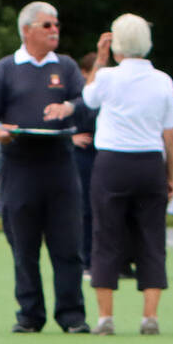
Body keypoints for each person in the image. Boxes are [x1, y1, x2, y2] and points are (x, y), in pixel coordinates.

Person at [0, 1, 89, 333]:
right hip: (19, 166)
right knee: (23, 246)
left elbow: (87, 106)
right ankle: (29, 315)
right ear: (26, 31)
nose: (54, 30)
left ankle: (72, 316)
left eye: (56, 24)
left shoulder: (66, 67)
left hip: (60, 165)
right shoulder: (6, 69)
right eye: (47, 25)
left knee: (68, 246)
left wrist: (68, 108)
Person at [80, 15, 173, 336]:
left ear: (116, 45)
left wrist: (99, 58)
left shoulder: (108, 77)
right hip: (149, 161)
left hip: (112, 162)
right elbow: (172, 134)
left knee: (105, 236)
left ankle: (105, 318)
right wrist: (169, 174)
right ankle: (149, 316)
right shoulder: (163, 80)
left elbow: (88, 98)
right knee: (152, 237)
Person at [72, 52, 98, 271]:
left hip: (103, 153)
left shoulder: (106, 91)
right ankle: (85, 259)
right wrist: (70, 138)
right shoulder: (77, 94)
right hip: (82, 156)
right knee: (85, 209)